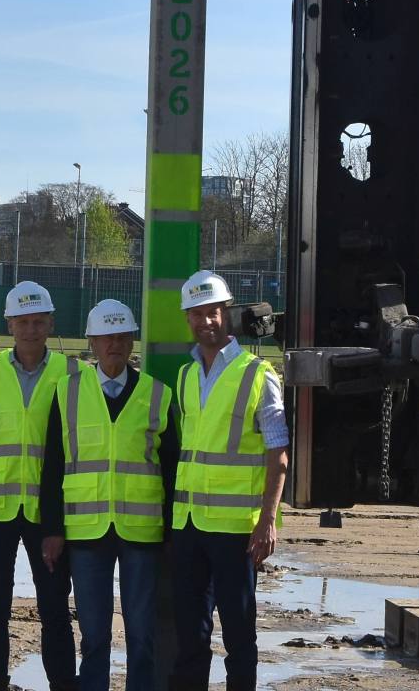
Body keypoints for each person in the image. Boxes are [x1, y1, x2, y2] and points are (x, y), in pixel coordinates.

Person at [38, 299, 177, 691]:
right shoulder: (66, 393)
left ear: (132, 341)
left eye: (121, 336)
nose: (114, 344)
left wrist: (169, 533)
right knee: (94, 636)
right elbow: (52, 467)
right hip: (85, 532)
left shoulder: (157, 395)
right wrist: (52, 528)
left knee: (141, 635)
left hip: (141, 532)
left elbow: (171, 470)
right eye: (105, 338)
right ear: (92, 343)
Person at [169, 270, 288, 691]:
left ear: (228, 313)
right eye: (199, 314)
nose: (208, 321)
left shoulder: (258, 375)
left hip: (237, 529)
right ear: (188, 318)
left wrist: (267, 522)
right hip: (189, 526)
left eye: (215, 312)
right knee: (191, 634)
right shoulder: (185, 377)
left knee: (239, 634)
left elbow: (279, 454)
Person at [0, 283, 77, 691]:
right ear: (10, 325)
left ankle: (62, 683)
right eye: (23, 322)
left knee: (55, 608)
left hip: (49, 515)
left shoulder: (73, 374)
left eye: (38, 321)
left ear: (50, 323)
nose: (31, 329)